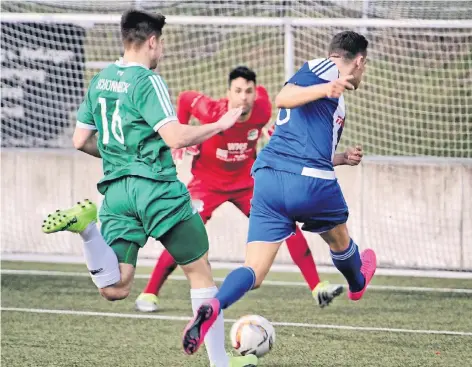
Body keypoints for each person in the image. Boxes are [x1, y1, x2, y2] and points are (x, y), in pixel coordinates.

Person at [42, 9, 257, 367]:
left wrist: (119, 154)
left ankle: (87, 229)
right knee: (199, 272)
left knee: (116, 287)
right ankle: (221, 363)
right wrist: (219, 124)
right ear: (152, 41)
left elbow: (80, 140)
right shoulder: (147, 80)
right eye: (162, 44)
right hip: (156, 189)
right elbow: (174, 136)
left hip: (116, 193)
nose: (162, 51)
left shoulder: (101, 79)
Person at [181, 30, 377, 356]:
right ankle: (358, 282)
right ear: (359, 61)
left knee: (254, 272)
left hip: (270, 180)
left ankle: (214, 305)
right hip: (310, 184)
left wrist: (342, 158)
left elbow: (312, 147)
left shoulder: (336, 103)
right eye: (364, 66)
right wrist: (325, 87)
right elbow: (284, 96)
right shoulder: (325, 68)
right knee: (341, 241)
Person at [135, 66, 343, 313]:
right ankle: (149, 292)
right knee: (183, 231)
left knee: (287, 225)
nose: (243, 97)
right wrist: (178, 137)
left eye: (248, 91)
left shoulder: (264, 108)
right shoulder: (212, 111)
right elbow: (186, 99)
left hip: (246, 182)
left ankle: (318, 286)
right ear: (228, 93)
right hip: (208, 183)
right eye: (237, 91)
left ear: (255, 94)